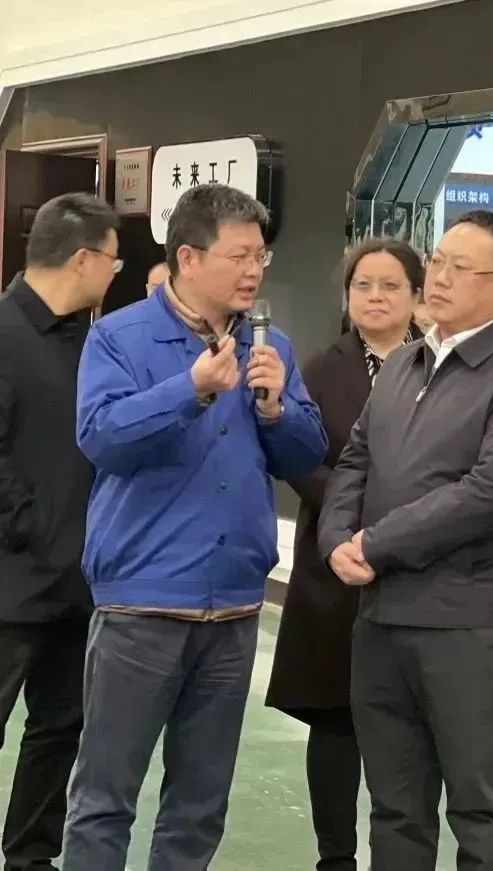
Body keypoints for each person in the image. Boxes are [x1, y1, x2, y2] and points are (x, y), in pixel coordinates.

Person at [63, 184, 328, 871]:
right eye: (239, 255)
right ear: (187, 257)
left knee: (200, 802)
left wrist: (276, 410)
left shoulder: (270, 345)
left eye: (261, 256)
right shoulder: (118, 338)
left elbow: (307, 456)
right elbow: (102, 437)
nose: (254, 270)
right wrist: (191, 388)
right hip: (141, 606)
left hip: (234, 608)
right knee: (105, 796)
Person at [319, 210, 493, 871]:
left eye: (461, 268)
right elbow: (357, 459)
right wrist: (336, 538)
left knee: (479, 809)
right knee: (394, 807)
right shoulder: (405, 362)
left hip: (465, 625)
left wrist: (376, 543)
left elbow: (492, 490)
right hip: (382, 618)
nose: (441, 277)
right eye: (438, 261)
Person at [266, 237, 424, 871]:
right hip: (336, 564)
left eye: (390, 285)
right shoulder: (319, 369)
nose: (375, 297)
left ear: (416, 295)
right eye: (363, 285)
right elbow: (299, 458)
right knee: (335, 723)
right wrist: (358, 519)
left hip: (420, 565)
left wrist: (404, 525)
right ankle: (335, 857)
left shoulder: (442, 364)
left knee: (408, 728)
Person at [0, 193, 119, 871]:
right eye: (112, 258)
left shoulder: (92, 342)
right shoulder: (3, 330)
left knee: (58, 729)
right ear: (83, 258)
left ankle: (31, 859)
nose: (114, 271)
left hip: (79, 582)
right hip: (11, 579)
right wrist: (32, 528)